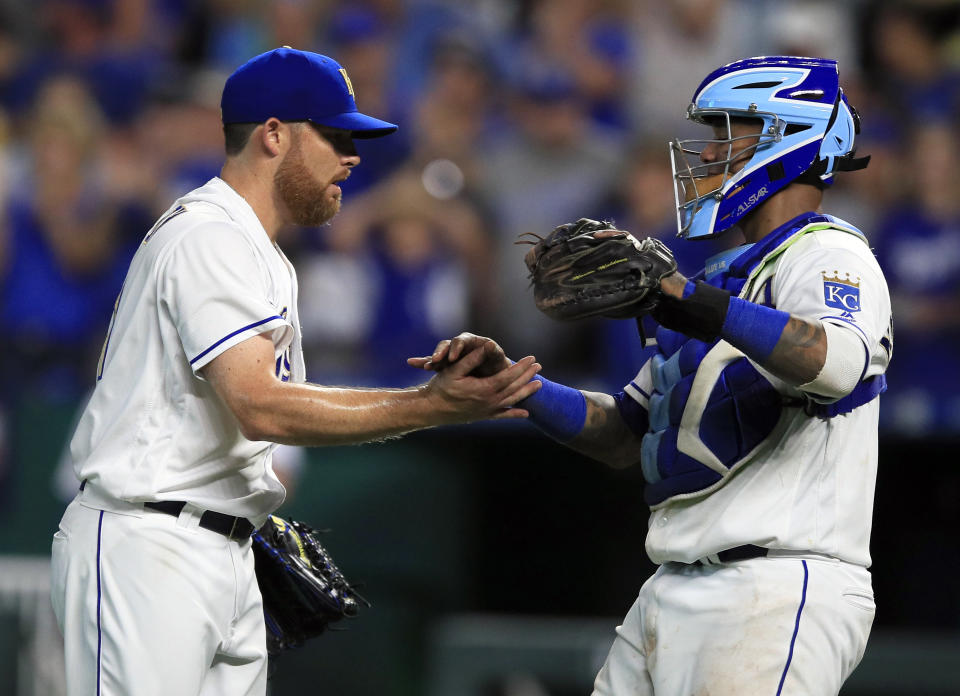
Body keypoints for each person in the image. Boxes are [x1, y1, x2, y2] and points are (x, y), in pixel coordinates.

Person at [49, 47, 542, 696]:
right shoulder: (211, 235)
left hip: (216, 546)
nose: (353, 157)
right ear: (274, 134)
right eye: (336, 137)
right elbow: (262, 406)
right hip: (150, 545)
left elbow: (265, 412)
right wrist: (430, 406)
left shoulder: (264, 254)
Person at [413, 56, 892, 695]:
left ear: (788, 137)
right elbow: (626, 431)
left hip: (777, 587)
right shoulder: (719, 276)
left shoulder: (829, 254)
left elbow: (834, 364)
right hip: (673, 586)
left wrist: (690, 299)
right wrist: (522, 388)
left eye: (729, 134)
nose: (710, 152)